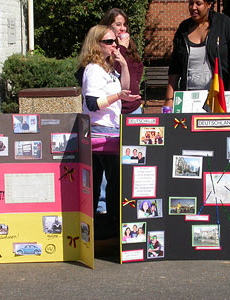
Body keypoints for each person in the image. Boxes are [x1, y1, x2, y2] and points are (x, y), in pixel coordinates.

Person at [79, 25, 141, 239]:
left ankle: (108, 230)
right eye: (109, 42)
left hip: (111, 130)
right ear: (96, 44)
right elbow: (92, 103)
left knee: (111, 182)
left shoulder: (107, 68)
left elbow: (125, 88)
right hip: (100, 132)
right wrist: (118, 97)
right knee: (110, 183)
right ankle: (108, 231)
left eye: (116, 41)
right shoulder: (94, 70)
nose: (115, 45)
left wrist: (123, 65)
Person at [164, 0, 230, 108]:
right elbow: (175, 67)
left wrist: (229, 94)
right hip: (188, 100)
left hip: (217, 100)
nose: (193, 7)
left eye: (198, 3)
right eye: (191, 3)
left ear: (209, 4)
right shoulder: (183, 28)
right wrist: (169, 99)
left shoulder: (224, 24)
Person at [100, 8, 144, 114]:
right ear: (109, 26)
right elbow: (112, 68)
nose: (123, 28)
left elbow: (139, 65)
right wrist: (122, 48)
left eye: (125, 25)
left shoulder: (130, 46)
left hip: (134, 106)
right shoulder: (106, 47)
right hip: (116, 108)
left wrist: (135, 83)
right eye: (118, 24)